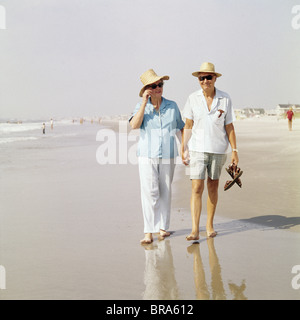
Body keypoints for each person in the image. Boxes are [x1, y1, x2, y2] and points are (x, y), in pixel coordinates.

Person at [181, 62, 239, 240]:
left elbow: (229, 126)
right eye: (202, 78)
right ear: (198, 80)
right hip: (197, 149)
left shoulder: (225, 98)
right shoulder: (192, 98)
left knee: (213, 186)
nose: (205, 80)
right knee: (196, 187)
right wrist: (183, 148)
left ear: (215, 78)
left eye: (208, 77)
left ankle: (209, 225)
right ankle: (194, 229)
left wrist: (234, 150)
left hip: (218, 150)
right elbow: (188, 125)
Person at [129, 69, 185, 245]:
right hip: (147, 156)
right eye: (154, 86)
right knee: (150, 192)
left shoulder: (172, 106)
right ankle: (148, 231)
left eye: (160, 84)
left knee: (165, 191)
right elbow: (134, 125)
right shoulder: (140, 107)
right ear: (147, 89)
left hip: (168, 155)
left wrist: (184, 148)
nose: (158, 88)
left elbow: (180, 127)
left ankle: (163, 228)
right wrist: (144, 102)